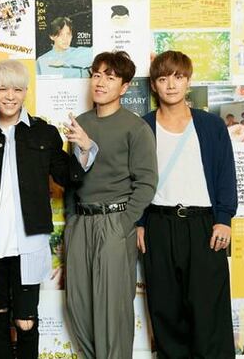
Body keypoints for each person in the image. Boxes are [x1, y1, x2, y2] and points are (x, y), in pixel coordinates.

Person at [0, 59, 95, 359]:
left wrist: (84, 149)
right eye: (2, 89)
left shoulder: (44, 133)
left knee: (25, 321)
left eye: (17, 90)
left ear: (25, 92)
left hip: (28, 243)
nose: (10, 96)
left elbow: (68, 177)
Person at [138, 50, 237, 358]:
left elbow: (225, 173)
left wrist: (224, 219)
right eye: (163, 79)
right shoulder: (143, 127)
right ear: (153, 85)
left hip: (204, 226)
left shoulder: (210, 125)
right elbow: (133, 179)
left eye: (178, 77)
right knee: (166, 313)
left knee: (210, 313)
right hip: (158, 224)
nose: (171, 85)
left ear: (188, 81)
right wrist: (139, 222)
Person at [64, 51, 157, 359]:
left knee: (111, 311)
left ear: (125, 86)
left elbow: (146, 182)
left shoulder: (135, 128)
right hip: (81, 223)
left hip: (114, 223)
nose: (101, 82)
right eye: (97, 75)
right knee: (78, 307)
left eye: (110, 77)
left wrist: (123, 223)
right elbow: (71, 178)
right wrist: (71, 221)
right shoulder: (80, 124)